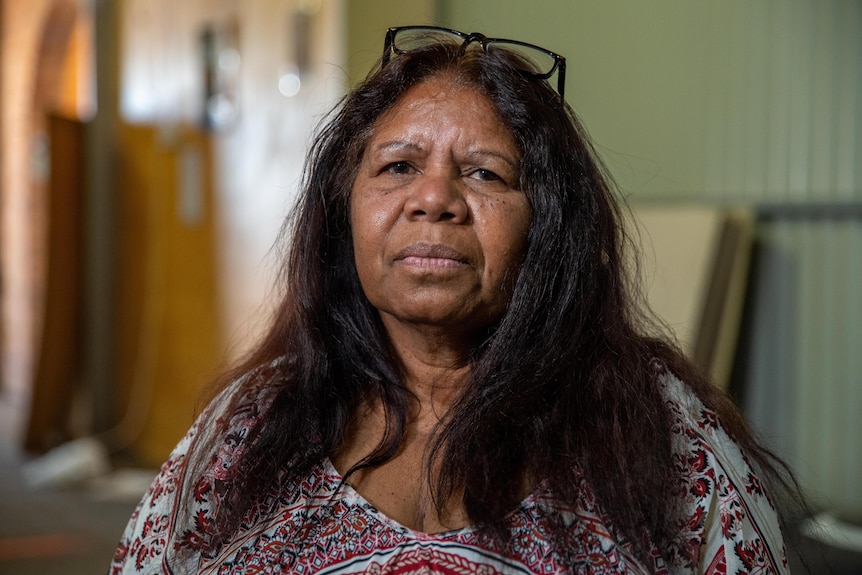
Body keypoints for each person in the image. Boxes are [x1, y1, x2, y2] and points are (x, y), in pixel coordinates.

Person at [111, 26, 797, 574]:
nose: (435, 199)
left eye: (484, 173)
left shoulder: (662, 436)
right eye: (399, 166)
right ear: (343, 208)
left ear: (547, 225)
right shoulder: (249, 428)